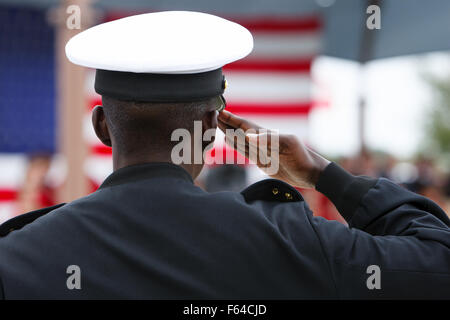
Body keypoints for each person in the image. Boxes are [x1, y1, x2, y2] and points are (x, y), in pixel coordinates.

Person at [0, 11, 448, 299]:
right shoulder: (288, 239)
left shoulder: (19, 254)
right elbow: (437, 260)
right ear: (211, 131)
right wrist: (323, 174)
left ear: (102, 127)